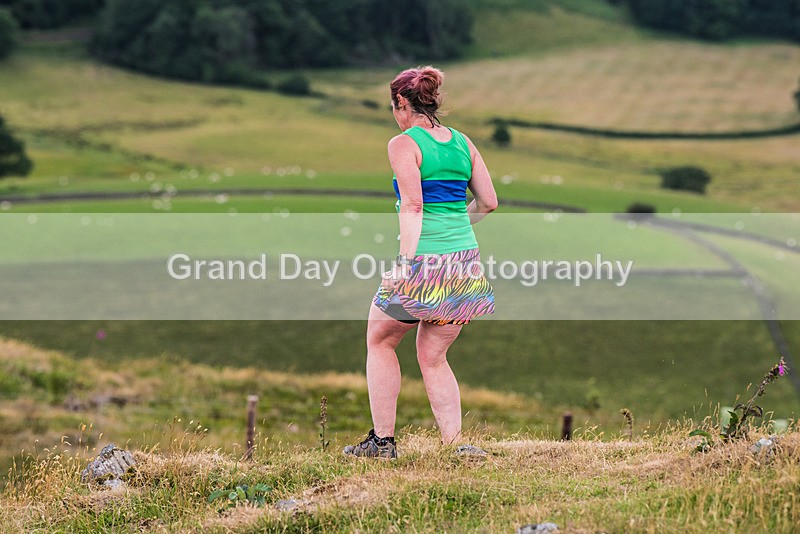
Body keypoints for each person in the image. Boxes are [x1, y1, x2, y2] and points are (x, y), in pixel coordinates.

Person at [343, 66, 498, 459]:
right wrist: (455, 226)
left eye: (392, 106)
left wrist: (403, 265)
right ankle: (454, 446)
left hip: (424, 266)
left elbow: (413, 205)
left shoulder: (403, 144)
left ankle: (382, 442)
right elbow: (488, 202)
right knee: (433, 356)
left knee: (379, 339)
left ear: (401, 104)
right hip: (464, 265)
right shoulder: (464, 143)